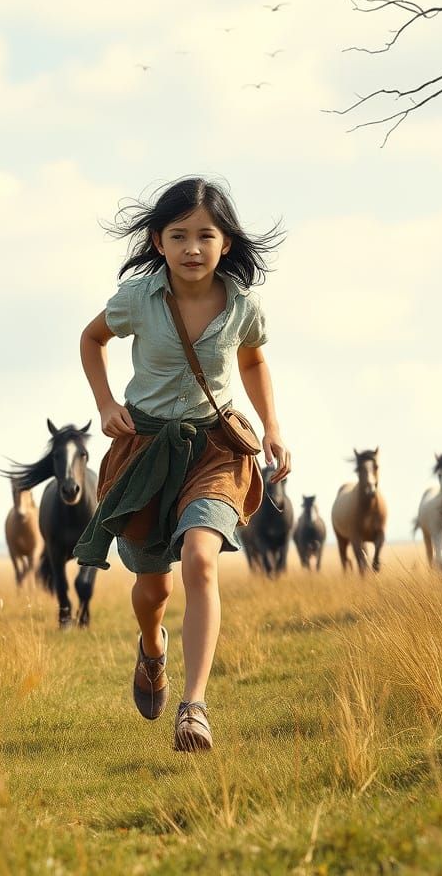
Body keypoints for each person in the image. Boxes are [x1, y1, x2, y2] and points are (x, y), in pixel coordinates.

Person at [76, 176, 291, 752]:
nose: (192, 248)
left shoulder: (243, 304)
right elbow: (91, 339)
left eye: (205, 235)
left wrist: (272, 427)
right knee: (153, 591)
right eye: (179, 236)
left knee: (200, 557)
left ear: (225, 243)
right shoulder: (137, 301)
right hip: (145, 449)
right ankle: (152, 649)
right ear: (157, 242)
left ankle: (194, 708)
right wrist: (105, 404)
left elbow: (252, 362)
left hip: (216, 446)